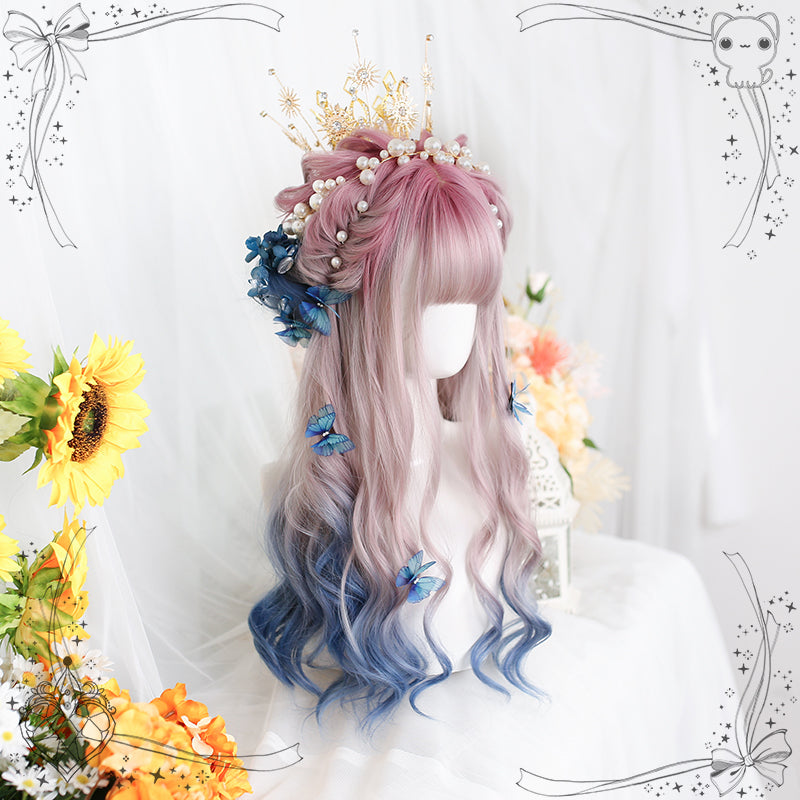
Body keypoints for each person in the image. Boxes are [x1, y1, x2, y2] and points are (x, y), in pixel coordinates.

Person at [247, 128, 551, 730]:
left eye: (472, 297)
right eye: (432, 296)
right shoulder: (312, 490)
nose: (459, 324)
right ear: (361, 303)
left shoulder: (493, 462)